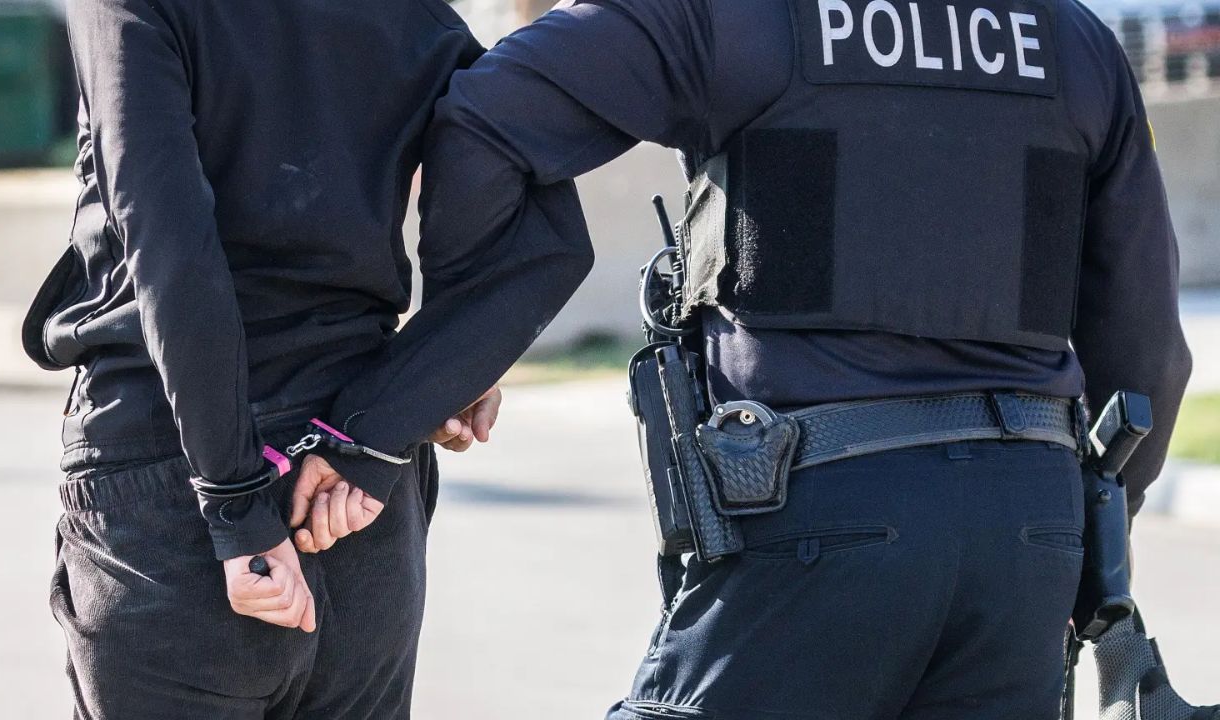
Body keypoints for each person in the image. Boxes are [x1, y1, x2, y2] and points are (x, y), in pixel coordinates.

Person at [418, 0, 1193, 716]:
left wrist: (460, 352)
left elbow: (487, 114)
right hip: (1029, 534)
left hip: (812, 509)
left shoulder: (735, 17)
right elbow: (1150, 357)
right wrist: (1094, 540)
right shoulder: (1072, 42)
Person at [22, 0, 590, 717]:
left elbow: (173, 250)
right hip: (353, 496)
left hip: (172, 486)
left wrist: (236, 506)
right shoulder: (418, 19)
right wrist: (426, 384)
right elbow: (541, 240)